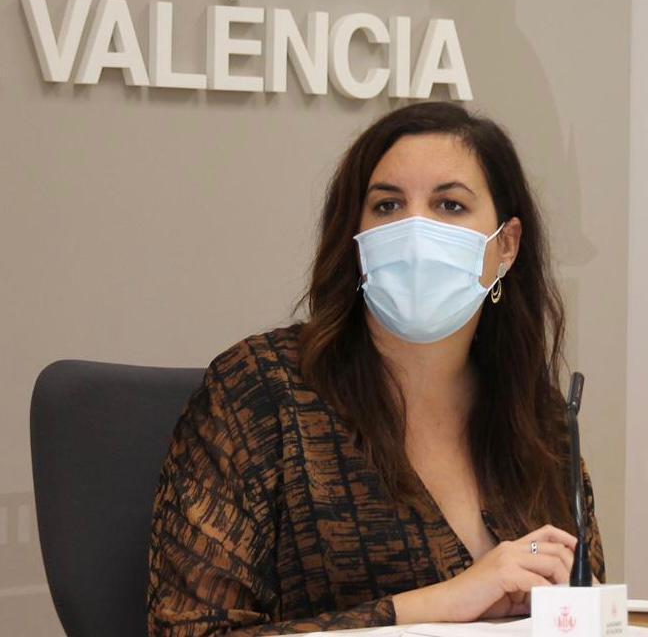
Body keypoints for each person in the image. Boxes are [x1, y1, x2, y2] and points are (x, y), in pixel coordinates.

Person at [146, 101, 605, 636]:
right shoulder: (262, 391)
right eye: (387, 206)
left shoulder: (540, 417)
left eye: (450, 205)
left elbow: (584, 603)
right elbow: (189, 632)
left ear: (506, 245)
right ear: (356, 240)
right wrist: (440, 602)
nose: (414, 230)